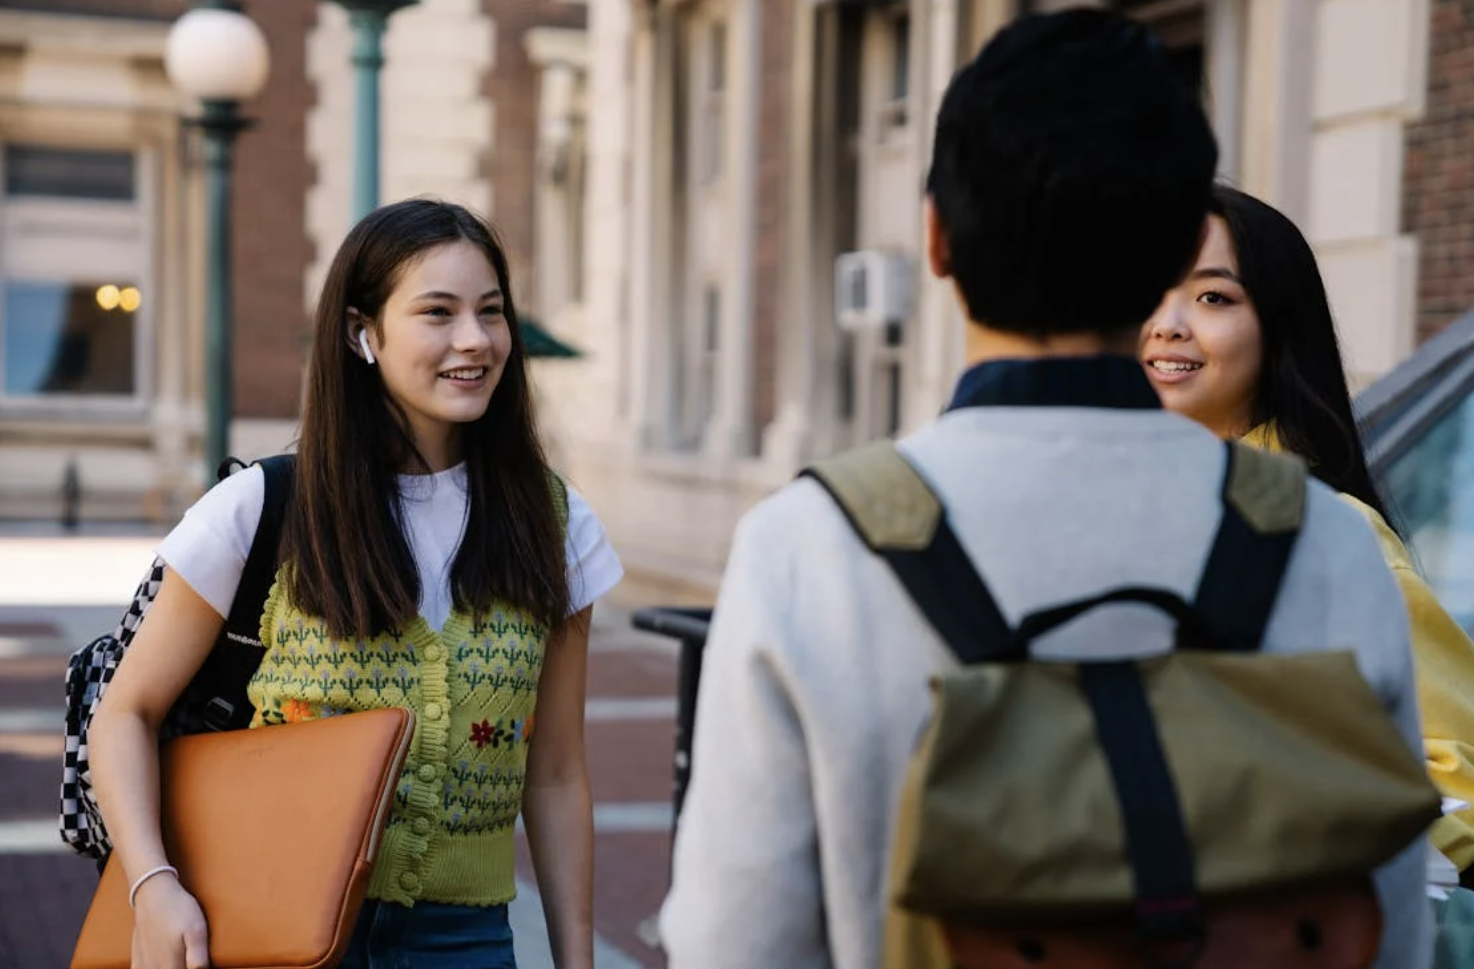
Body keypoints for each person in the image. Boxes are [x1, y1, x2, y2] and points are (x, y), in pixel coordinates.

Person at [659, 10, 1430, 969]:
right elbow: (1390, 930)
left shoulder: (809, 544)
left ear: (935, 239)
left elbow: (737, 944)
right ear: (1177, 247)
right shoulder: (1325, 541)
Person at [87, 198, 623, 969]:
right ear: (361, 332)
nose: (475, 339)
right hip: (263, 918)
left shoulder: (556, 524)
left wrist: (578, 960)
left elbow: (560, 769)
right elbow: (124, 712)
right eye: (437, 312)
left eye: (491, 311)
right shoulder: (264, 508)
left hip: (465, 940)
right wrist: (153, 883)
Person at [1140, 181, 1474, 948]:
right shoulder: (1094, 512)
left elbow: (1460, 772)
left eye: (1214, 298)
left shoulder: (1328, 535)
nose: (1167, 325)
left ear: (1275, 328)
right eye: (1146, 293)